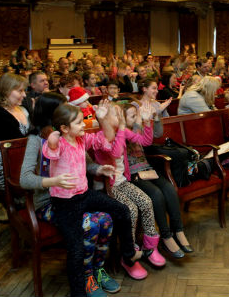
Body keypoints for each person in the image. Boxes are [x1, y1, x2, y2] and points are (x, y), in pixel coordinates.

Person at [20, 93, 121, 296]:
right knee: (91, 224)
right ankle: (86, 277)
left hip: (76, 196)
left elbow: (86, 163)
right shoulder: (36, 139)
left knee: (107, 219)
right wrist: (52, 182)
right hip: (48, 202)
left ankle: (97, 269)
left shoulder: (71, 136)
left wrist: (98, 170)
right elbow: (24, 179)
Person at [43, 103, 142, 296]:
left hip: (84, 195)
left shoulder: (81, 139)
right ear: (64, 128)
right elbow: (50, 152)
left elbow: (103, 140)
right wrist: (53, 139)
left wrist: (102, 118)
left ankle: (129, 253)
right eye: (79, 123)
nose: (83, 125)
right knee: (76, 248)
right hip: (65, 203)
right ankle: (78, 292)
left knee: (122, 210)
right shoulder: (59, 142)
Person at [93, 104, 167, 274]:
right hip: (108, 187)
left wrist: (147, 121)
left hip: (122, 182)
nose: (120, 118)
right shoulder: (100, 137)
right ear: (104, 118)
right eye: (116, 114)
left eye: (120, 114)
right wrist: (121, 128)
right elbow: (115, 151)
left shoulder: (122, 132)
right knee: (131, 210)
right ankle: (129, 255)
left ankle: (149, 247)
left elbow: (146, 141)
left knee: (146, 202)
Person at [123, 102, 192, 258]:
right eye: (132, 116)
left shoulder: (136, 128)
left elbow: (147, 141)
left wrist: (148, 122)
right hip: (134, 176)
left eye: (136, 115)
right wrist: (137, 123)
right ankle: (166, 236)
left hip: (147, 171)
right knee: (156, 194)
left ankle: (178, 230)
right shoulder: (120, 132)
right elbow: (127, 142)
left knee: (168, 188)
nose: (136, 118)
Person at [0, 73, 30, 190]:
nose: (24, 95)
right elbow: (18, 145)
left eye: (24, 90)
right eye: (20, 91)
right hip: (7, 167)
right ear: (6, 91)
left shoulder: (20, 109)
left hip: (22, 159)